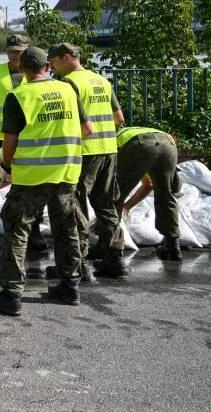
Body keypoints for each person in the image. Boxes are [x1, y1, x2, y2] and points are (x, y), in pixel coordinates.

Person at [0, 47, 93, 315]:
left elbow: (9, 143)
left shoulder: (19, 96)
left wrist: (7, 165)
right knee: (66, 228)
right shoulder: (68, 90)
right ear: (47, 67)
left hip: (32, 176)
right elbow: (88, 130)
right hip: (67, 173)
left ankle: (11, 293)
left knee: (17, 229)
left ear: (22, 69)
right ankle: (70, 286)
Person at [49, 43, 126, 279]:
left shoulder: (69, 83)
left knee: (77, 206)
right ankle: (114, 259)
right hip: (108, 150)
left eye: (54, 62)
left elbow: (70, 122)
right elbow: (119, 118)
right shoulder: (101, 80)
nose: (52, 68)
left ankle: (79, 263)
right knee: (107, 205)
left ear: (67, 58)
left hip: (84, 153)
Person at [0, 34, 46, 253]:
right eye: (12, 51)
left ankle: (34, 231)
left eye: (19, 51)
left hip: (29, 140)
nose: (15, 55)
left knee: (32, 186)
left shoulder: (37, 75)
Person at [116, 126, 183, 261]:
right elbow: (149, 185)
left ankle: (111, 250)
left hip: (139, 145)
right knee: (165, 194)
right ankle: (173, 248)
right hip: (167, 142)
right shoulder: (130, 132)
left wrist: (121, 203)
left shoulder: (114, 142)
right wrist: (127, 206)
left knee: (115, 194)